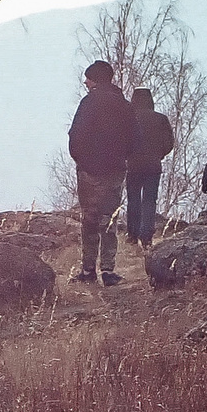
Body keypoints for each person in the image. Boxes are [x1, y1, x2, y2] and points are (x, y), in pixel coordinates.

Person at [67, 59, 134, 284]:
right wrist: (123, 158)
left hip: (89, 172)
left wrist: (82, 161)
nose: (85, 81)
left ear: (95, 80)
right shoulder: (123, 105)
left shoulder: (88, 103)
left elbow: (74, 135)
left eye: (88, 77)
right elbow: (135, 137)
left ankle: (88, 271)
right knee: (109, 219)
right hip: (115, 171)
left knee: (89, 219)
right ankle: (108, 270)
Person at [123, 86, 174, 247]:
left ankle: (132, 235)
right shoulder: (161, 119)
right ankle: (146, 237)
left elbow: (121, 141)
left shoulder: (128, 118)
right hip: (153, 165)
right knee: (150, 201)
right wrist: (159, 154)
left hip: (133, 165)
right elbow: (169, 143)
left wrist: (126, 155)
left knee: (134, 200)